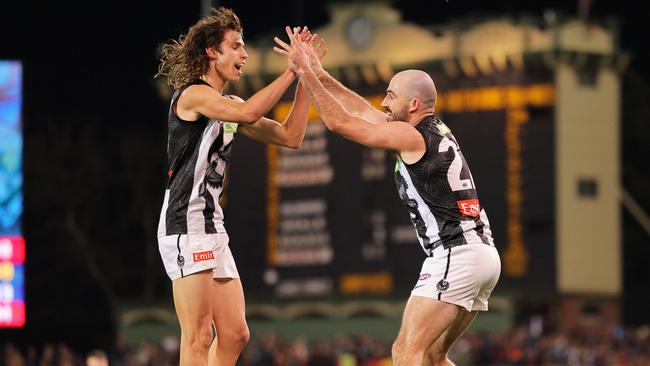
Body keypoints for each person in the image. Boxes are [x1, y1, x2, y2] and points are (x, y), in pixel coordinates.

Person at [275, 29, 501, 366]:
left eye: (390, 96)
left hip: (457, 254)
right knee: (434, 358)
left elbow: (339, 123)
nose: (383, 102)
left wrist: (304, 73)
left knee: (405, 352)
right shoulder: (429, 130)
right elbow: (362, 110)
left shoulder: (409, 135)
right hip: (483, 255)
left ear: (412, 105)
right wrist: (320, 73)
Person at [155, 9, 315, 366]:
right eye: (237, 47)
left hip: (212, 226)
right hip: (185, 225)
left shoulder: (231, 105)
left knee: (235, 334)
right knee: (199, 336)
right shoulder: (193, 96)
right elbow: (248, 115)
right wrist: (291, 69)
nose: (244, 55)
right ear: (213, 51)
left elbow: (292, 137)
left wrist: (306, 77)